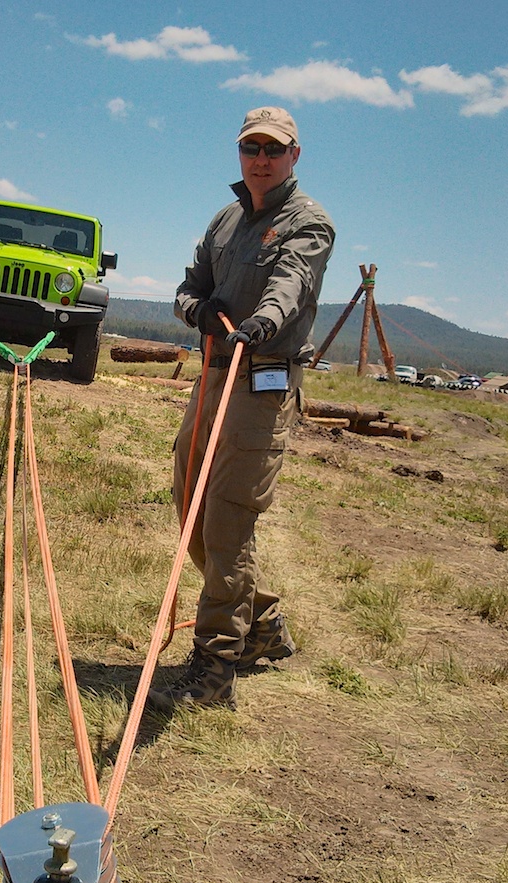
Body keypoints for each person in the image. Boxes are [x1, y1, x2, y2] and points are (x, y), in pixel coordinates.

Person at [149, 106, 335, 711]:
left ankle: (213, 672)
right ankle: (259, 627)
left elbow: (293, 283)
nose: (261, 159)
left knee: (229, 519)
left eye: (273, 150)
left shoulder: (308, 223)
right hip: (212, 374)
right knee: (194, 513)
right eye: (251, 148)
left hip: (261, 383)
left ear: (294, 157)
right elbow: (188, 288)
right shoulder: (225, 220)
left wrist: (262, 323)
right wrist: (195, 311)